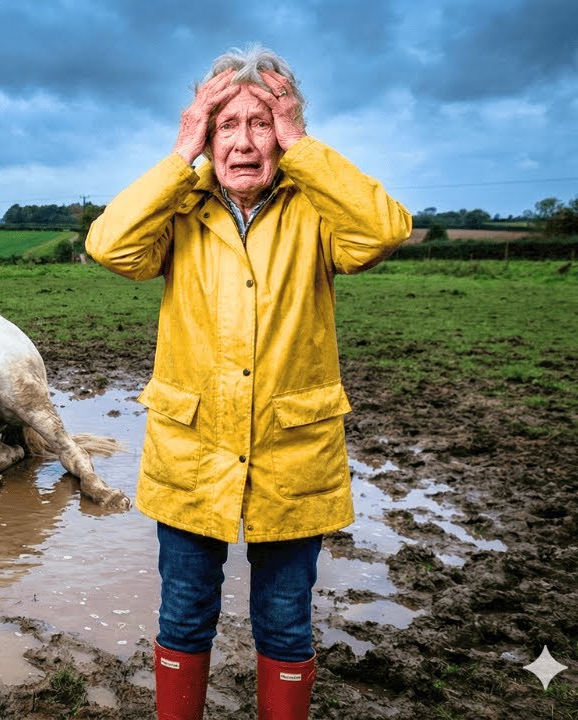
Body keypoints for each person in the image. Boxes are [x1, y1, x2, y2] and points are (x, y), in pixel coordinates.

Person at [85, 45, 411, 719]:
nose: (243, 143)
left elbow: (383, 230)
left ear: (286, 131)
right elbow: (109, 245)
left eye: (262, 123)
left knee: (286, 620)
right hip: (192, 447)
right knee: (184, 613)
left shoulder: (314, 208)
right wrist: (182, 149)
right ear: (206, 134)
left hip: (292, 451)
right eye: (226, 124)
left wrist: (302, 145)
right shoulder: (179, 209)